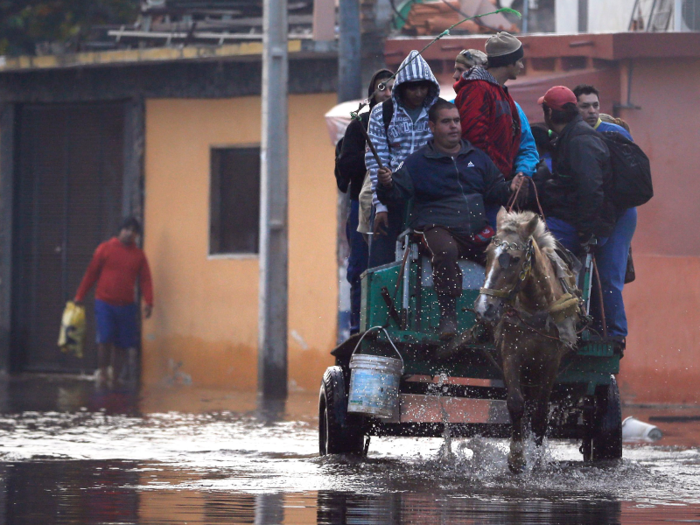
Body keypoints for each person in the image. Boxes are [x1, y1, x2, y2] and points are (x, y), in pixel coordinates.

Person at [376, 100, 524, 339]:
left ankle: (500, 319)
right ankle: (448, 318)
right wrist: (386, 184)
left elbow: (496, 190)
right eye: (446, 122)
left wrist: (511, 187)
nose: (454, 126)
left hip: (477, 231)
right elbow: (395, 196)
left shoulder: (478, 157)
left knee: (508, 255)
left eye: (456, 121)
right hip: (435, 228)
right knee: (445, 250)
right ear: (432, 127)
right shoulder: (416, 162)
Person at [537, 86, 629, 341]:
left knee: (532, 249)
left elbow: (591, 190)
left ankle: (557, 321)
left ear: (549, 113)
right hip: (573, 218)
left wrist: (586, 231)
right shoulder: (571, 136)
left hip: (581, 223)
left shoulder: (580, 141)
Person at [573, 83, 637, 341]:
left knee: (609, 277)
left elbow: (632, 179)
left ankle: (615, 336)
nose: (591, 111)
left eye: (595, 105)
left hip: (619, 213)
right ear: (574, 108)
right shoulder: (568, 134)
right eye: (585, 106)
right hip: (587, 212)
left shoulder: (616, 134)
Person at [365, 50, 440, 268]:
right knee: (382, 262)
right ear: (401, 87)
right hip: (392, 194)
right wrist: (381, 207)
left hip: (430, 196)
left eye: (422, 87)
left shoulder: (439, 110)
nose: (418, 93)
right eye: (412, 87)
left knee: (431, 261)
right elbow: (376, 159)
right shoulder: (382, 113)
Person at [452, 46, 538, 228]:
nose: (455, 76)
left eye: (461, 70)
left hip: (495, 190)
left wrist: (522, 174)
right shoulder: (446, 109)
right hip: (462, 190)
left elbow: (527, 148)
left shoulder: (511, 106)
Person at [336, 69, 394, 333]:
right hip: (363, 206)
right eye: (383, 87)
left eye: (394, 87)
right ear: (373, 92)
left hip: (397, 205)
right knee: (360, 267)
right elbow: (346, 165)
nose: (389, 92)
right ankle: (359, 327)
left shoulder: (407, 124)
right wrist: (373, 156)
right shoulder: (360, 125)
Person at [75, 217, 153, 386]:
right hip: (104, 302)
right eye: (126, 229)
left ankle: (115, 377)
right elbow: (91, 273)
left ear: (137, 235)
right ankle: (102, 372)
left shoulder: (139, 256)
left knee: (122, 344)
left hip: (126, 305)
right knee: (105, 337)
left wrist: (149, 302)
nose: (129, 233)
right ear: (120, 230)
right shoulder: (105, 249)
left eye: (133, 231)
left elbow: (145, 279)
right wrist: (80, 296)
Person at [453, 32, 524, 180]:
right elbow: (473, 138)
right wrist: (494, 176)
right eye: (519, 61)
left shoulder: (500, 91)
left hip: (496, 178)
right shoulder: (477, 89)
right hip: (484, 181)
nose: (522, 66)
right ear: (509, 62)